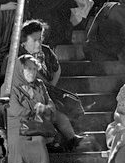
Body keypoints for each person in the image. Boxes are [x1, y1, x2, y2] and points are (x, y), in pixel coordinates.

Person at [12, 19, 83, 150]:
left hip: (47, 89)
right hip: (27, 93)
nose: (39, 43)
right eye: (34, 40)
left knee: (62, 105)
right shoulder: (19, 54)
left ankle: (70, 138)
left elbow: (56, 69)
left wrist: (51, 86)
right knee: (49, 111)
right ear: (24, 40)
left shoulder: (46, 50)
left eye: (40, 38)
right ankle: (59, 140)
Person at [5, 56, 51, 163]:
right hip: (16, 123)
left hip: (35, 124)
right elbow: (14, 110)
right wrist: (34, 110)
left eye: (35, 69)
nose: (32, 72)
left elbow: (51, 105)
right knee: (19, 142)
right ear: (20, 70)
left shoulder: (40, 85)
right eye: (28, 69)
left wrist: (44, 107)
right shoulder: (10, 86)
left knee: (39, 140)